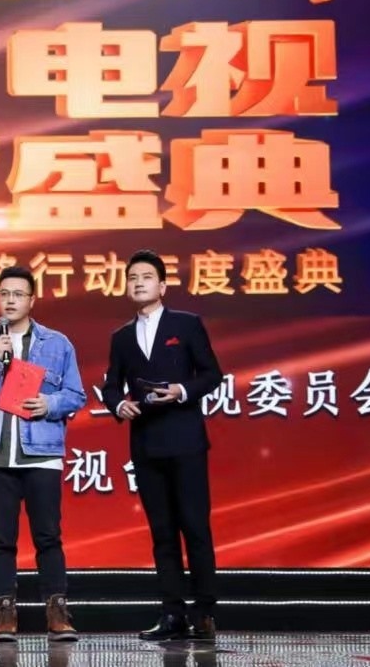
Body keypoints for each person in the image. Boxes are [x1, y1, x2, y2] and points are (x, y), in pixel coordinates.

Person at [0, 265, 87, 642]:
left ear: (32, 300)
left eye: (18, 294)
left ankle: (57, 613)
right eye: (4, 293)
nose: (10, 300)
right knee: (2, 538)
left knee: (48, 535)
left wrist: (50, 403)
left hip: (41, 451)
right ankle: (5, 614)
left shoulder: (57, 343)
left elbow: (76, 395)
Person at [101, 250, 225, 641]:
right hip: (147, 444)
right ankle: (172, 613)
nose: (138, 283)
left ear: (162, 285)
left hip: (185, 441)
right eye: (132, 278)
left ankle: (204, 612)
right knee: (162, 532)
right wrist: (118, 404)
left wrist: (181, 390)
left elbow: (212, 374)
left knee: (195, 526)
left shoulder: (186, 324)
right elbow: (110, 385)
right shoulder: (121, 337)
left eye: (146, 277)